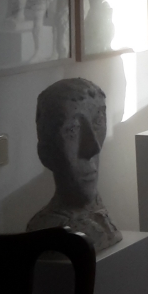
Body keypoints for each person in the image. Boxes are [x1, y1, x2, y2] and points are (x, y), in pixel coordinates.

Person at [26, 78, 122, 252]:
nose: (93, 147)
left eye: (98, 122)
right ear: (46, 152)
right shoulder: (50, 232)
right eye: (72, 129)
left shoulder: (101, 219)